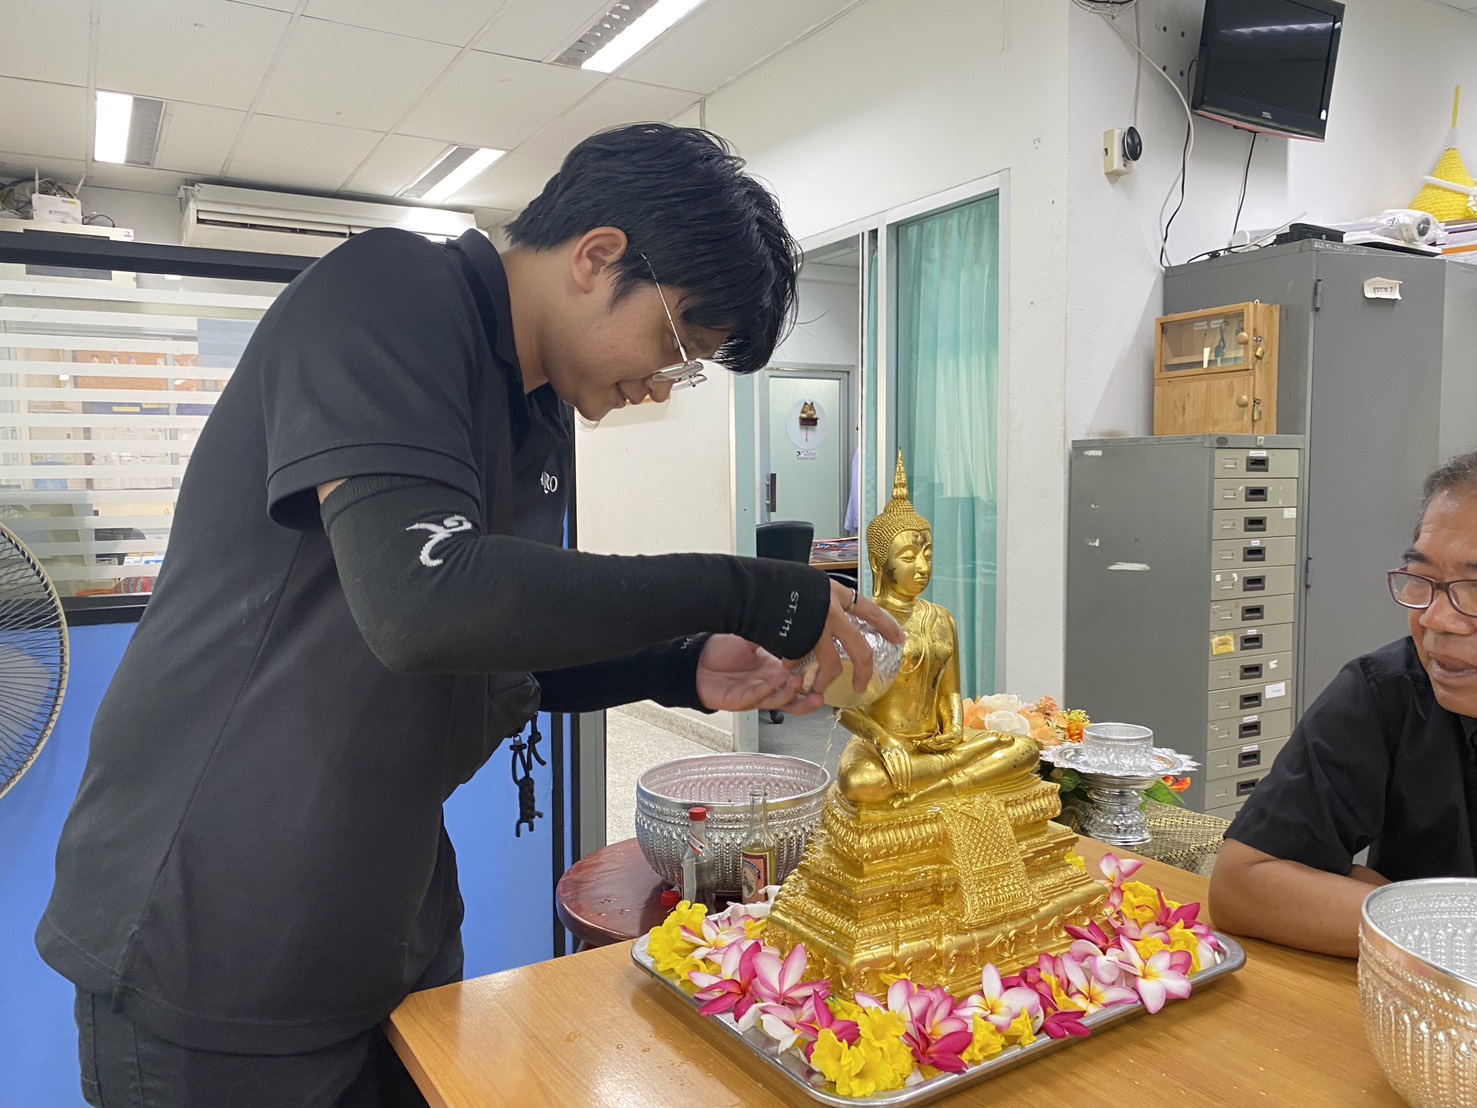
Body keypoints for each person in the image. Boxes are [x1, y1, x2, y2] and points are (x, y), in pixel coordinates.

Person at [37, 123, 902, 1107]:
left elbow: (488, 642)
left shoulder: (530, 412)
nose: (664, 381)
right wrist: (746, 588)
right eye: (675, 343)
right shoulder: (390, 294)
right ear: (596, 256)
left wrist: (680, 663)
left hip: (378, 919)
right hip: (215, 932)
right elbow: (421, 603)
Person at [1210, 450, 1477, 957]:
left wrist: (1378, 906)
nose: (1436, 619)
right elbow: (1243, 886)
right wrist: (1440, 930)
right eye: (1424, 580)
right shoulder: (1388, 691)